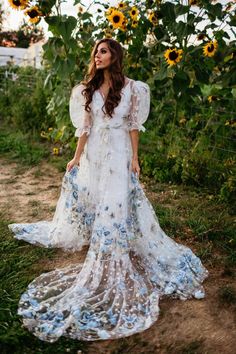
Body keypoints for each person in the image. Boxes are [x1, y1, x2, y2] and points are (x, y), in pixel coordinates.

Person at [8, 38, 209, 342]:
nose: (97, 56)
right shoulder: (86, 89)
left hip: (119, 152)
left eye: (103, 51)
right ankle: (104, 238)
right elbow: (86, 127)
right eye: (95, 52)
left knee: (116, 201)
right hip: (95, 155)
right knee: (99, 199)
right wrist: (76, 157)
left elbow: (132, 126)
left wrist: (136, 158)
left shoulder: (132, 88)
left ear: (115, 55)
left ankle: (112, 248)